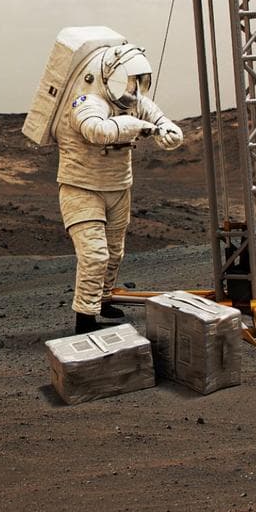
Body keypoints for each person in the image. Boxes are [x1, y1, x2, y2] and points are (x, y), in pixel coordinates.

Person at [55, 43, 184, 333]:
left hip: (118, 187)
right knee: (95, 255)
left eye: (137, 81)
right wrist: (139, 127)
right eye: (128, 79)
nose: (133, 88)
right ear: (109, 75)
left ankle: (102, 299)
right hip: (81, 188)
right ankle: (85, 319)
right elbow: (97, 130)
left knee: (114, 253)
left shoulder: (133, 102)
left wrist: (168, 133)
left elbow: (163, 122)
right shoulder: (85, 102)